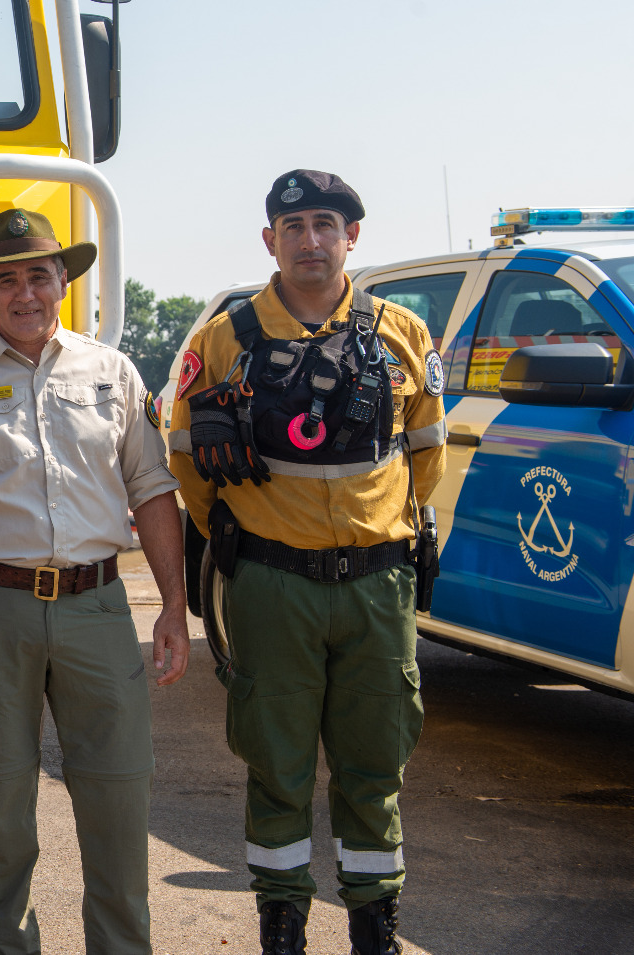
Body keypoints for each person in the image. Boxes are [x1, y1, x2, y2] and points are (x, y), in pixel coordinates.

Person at [0, 208, 191, 955]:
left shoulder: (113, 372)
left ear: (63, 279)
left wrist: (175, 607)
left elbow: (152, 487)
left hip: (97, 606)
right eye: (5, 279)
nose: (24, 291)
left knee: (120, 803)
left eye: (37, 274)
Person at [167, 170, 447, 955]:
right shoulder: (223, 338)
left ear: (352, 236)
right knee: (276, 761)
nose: (311, 239)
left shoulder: (402, 333)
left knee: (375, 761)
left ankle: (374, 925)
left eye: (326, 224)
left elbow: (426, 454)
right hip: (272, 584)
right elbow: (185, 457)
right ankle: (282, 922)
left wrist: (384, 527)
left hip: (377, 584)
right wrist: (239, 536)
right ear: (270, 240)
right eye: (294, 226)